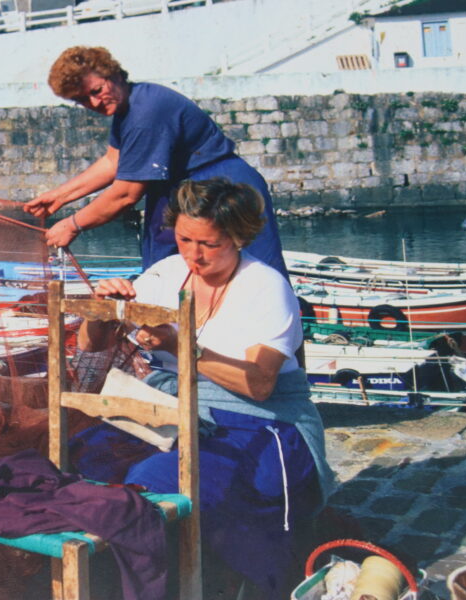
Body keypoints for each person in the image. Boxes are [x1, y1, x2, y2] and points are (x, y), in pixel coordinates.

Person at [71, 178, 333, 598]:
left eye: (209, 244)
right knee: (85, 456)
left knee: (155, 481)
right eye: (184, 239)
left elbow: (259, 384)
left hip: (262, 421)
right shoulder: (167, 274)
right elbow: (91, 346)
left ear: (238, 237)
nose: (194, 255)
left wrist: (180, 346)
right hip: (178, 408)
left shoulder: (265, 287)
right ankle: (108, 580)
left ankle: (180, 584)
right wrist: (101, 312)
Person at [24, 46, 287, 276]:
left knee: (253, 270)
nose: (94, 102)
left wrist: (73, 225)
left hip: (223, 185)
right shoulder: (127, 108)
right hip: (179, 188)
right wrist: (59, 197)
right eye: (82, 100)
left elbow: (126, 194)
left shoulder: (146, 112)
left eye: (96, 90)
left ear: (113, 74)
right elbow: (113, 162)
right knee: (166, 270)